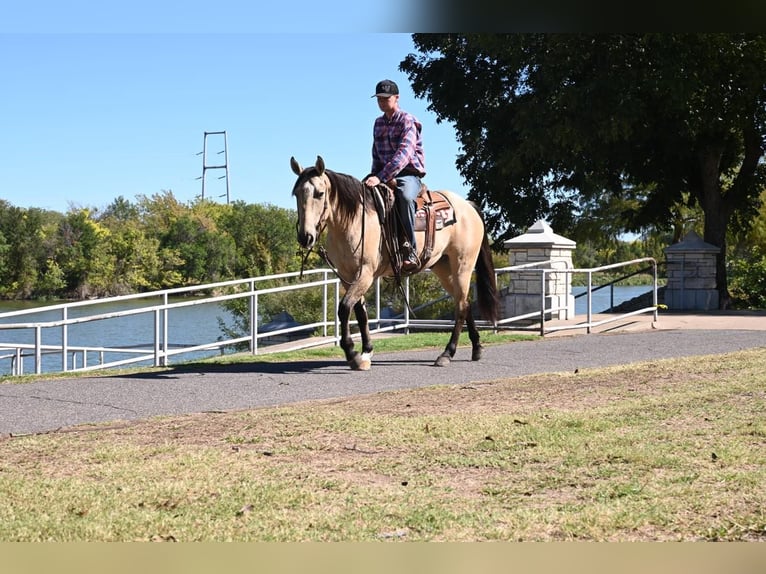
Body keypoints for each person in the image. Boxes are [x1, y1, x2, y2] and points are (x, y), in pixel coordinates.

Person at [363, 79, 426, 273]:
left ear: (396, 98)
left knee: (405, 197)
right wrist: (373, 175)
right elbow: (376, 152)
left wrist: (380, 177)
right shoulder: (378, 123)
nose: (382, 102)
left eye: (386, 98)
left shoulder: (408, 120)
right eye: (379, 99)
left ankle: (410, 250)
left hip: (408, 174)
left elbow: (403, 154)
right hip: (382, 173)